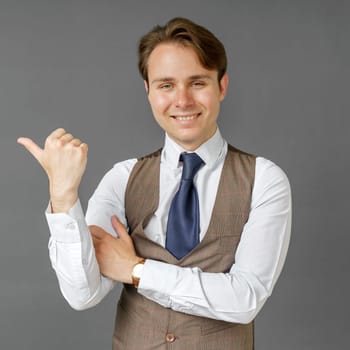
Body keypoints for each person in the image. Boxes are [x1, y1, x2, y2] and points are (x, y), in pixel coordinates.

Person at [18, 17, 291, 350]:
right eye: (166, 85)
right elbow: (83, 293)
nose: (183, 100)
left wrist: (136, 270)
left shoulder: (264, 179)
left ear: (222, 86)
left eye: (198, 83)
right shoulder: (122, 179)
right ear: (148, 91)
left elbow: (245, 298)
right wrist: (63, 196)